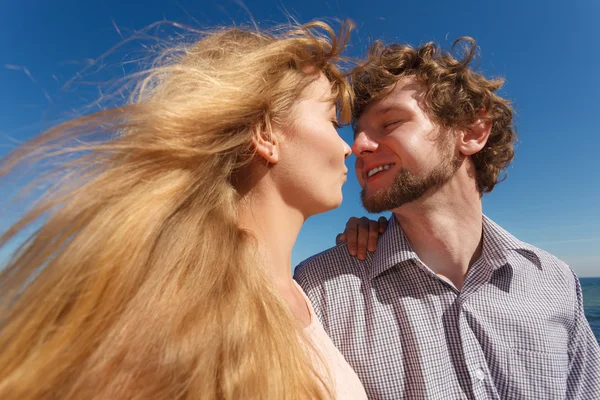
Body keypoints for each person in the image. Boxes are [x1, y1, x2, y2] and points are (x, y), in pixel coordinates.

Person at [0, 21, 368, 400]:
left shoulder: (297, 294)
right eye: (331, 122)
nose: (349, 148)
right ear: (265, 134)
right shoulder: (178, 316)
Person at [294, 37, 600, 399]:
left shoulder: (554, 280)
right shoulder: (319, 291)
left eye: (389, 123)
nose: (357, 146)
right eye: (356, 132)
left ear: (472, 132)